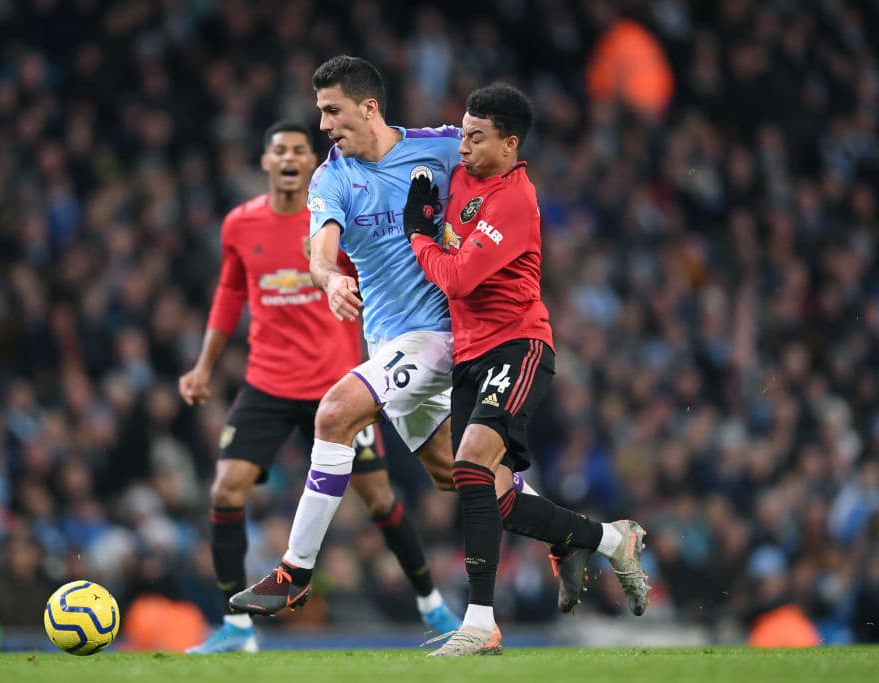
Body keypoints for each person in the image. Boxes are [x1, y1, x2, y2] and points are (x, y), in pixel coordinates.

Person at [228, 57, 615, 629]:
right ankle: (589, 539)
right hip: (388, 345)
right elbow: (320, 251)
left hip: (441, 334)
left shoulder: (439, 148)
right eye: (319, 113)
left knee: (334, 414)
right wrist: (331, 277)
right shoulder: (331, 178)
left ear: (368, 107)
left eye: (332, 111)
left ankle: (294, 571)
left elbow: (499, 189)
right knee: (460, 477)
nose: (324, 125)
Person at [178, 121, 459, 654]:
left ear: (312, 164)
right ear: (265, 162)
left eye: (298, 150)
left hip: (333, 381)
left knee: (380, 500)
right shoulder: (239, 224)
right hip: (266, 382)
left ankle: (432, 605)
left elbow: (382, 269)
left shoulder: (337, 210)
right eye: (277, 149)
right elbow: (229, 295)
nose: (287, 157)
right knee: (224, 491)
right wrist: (203, 366)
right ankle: (237, 629)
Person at [403, 84, 650, 656]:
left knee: (467, 464)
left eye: (476, 137)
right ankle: (612, 540)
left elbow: (458, 277)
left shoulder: (514, 199)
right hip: (469, 355)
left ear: (510, 144)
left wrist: (419, 231)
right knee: (499, 498)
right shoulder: (460, 174)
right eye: (462, 133)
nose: (462, 146)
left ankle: (481, 623)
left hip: (518, 346)